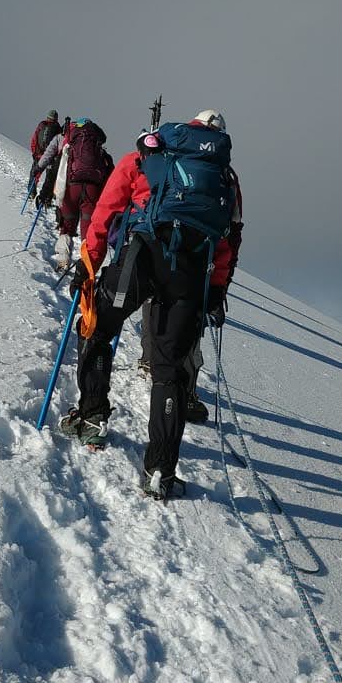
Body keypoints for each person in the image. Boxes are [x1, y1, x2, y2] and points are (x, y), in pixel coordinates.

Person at [59, 110, 240, 499]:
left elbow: (107, 210)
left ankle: (92, 416)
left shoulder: (149, 154)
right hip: (192, 273)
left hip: (143, 254)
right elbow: (228, 241)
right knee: (169, 370)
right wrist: (217, 291)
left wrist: (89, 263)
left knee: (97, 325)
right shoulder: (226, 179)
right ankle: (160, 471)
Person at [137, 165, 242, 425]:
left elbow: (142, 200)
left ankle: (149, 359)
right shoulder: (225, 177)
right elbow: (232, 229)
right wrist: (220, 287)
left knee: (156, 303)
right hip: (199, 262)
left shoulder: (170, 160)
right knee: (189, 322)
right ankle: (185, 390)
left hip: (160, 247)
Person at [32, 117, 113, 269]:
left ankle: (63, 260)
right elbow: (110, 177)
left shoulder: (68, 148)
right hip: (92, 191)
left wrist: (44, 191)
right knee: (87, 231)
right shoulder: (100, 153)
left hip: (70, 189)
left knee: (67, 226)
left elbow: (54, 169)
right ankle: (86, 267)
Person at [29, 111, 63, 208]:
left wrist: (34, 153)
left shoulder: (41, 126)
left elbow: (34, 139)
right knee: (50, 178)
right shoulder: (58, 129)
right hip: (51, 158)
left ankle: (32, 193)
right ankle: (47, 199)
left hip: (39, 155)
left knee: (35, 173)